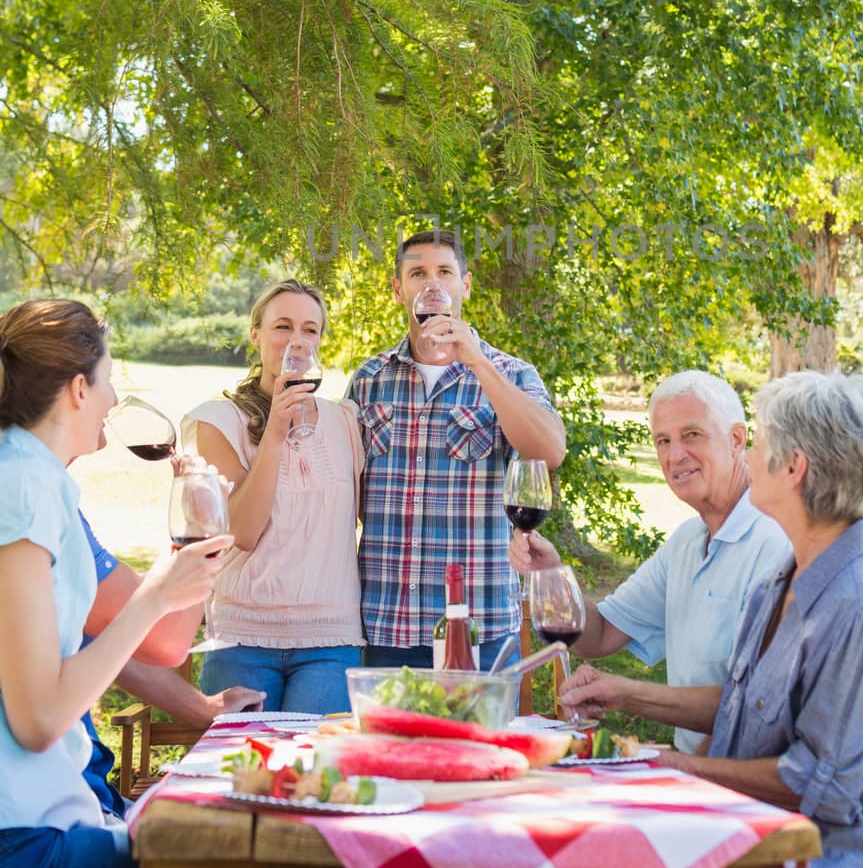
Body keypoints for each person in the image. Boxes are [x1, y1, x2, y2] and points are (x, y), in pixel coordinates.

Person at [0, 296, 319, 868]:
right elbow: (41, 716)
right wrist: (150, 600)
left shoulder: (33, 480)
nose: (115, 398)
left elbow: (70, 651)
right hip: (19, 863)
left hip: (39, 843)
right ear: (78, 389)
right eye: (109, 380)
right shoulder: (21, 488)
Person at [562, 371, 863, 868]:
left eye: (759, 439)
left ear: (792, 467)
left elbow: (816, 785)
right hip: (760, 836)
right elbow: (741, 714)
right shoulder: (788, 575)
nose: (750, 453)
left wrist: (672, 767)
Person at [510, 370, 789, 751]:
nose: (675, 455)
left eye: (692, 435)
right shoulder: (687, 542)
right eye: (663, 440)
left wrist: (628, 696)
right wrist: (552, 574)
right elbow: (599, 635)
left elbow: (755, 706)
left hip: (734, 782)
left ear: (736, 439)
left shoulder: (774, 542)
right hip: (695, 772)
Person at [346, 229, 565, 670]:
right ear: (397, 289)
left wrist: (478, 363)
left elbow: (550, 449)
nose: (432, 284)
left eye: (444, 272)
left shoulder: (512, 374)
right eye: (418, 273)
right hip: (386, 627)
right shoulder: (367, 380)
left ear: (464, 285)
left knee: (480, 743)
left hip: (478, 627)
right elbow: (341, 497)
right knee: (387, 743)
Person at [183, 279, 365, 714]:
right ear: (256, 335)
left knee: (314, 775)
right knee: (241, 775)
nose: (296, 342)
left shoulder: (345, 421)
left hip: (331, 639)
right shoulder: (217, 421)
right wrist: (276, 432)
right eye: (282, 326)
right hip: (242, 637)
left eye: (310, 330)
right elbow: (243, 531)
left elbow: (360, 517)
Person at [78, 511, 265, 818]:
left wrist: (206, 709)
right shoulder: (33, 490)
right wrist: (203, 521)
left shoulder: (43, 491)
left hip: (73, 790)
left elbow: (109, 642)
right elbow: (165, 640)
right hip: (44, 814)